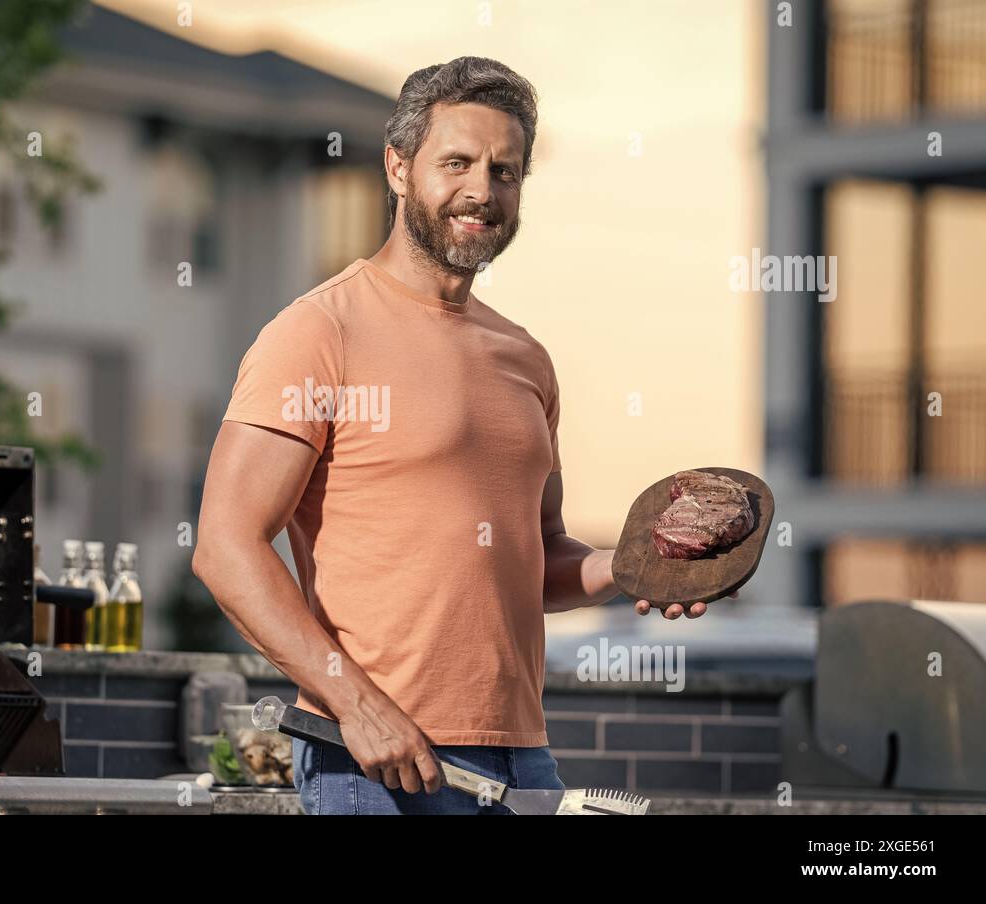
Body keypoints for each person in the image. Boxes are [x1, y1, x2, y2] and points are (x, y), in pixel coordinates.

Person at [193, 56, 718, 815]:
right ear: (399, 168)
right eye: (458, 163)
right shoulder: (317, 332)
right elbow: (225, 547)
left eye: (505, 172)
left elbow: (535, 559)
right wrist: (357, 704)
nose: (483, 190)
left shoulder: (525, 358)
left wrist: (631, 568)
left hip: (522, 759)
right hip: (375, 762)